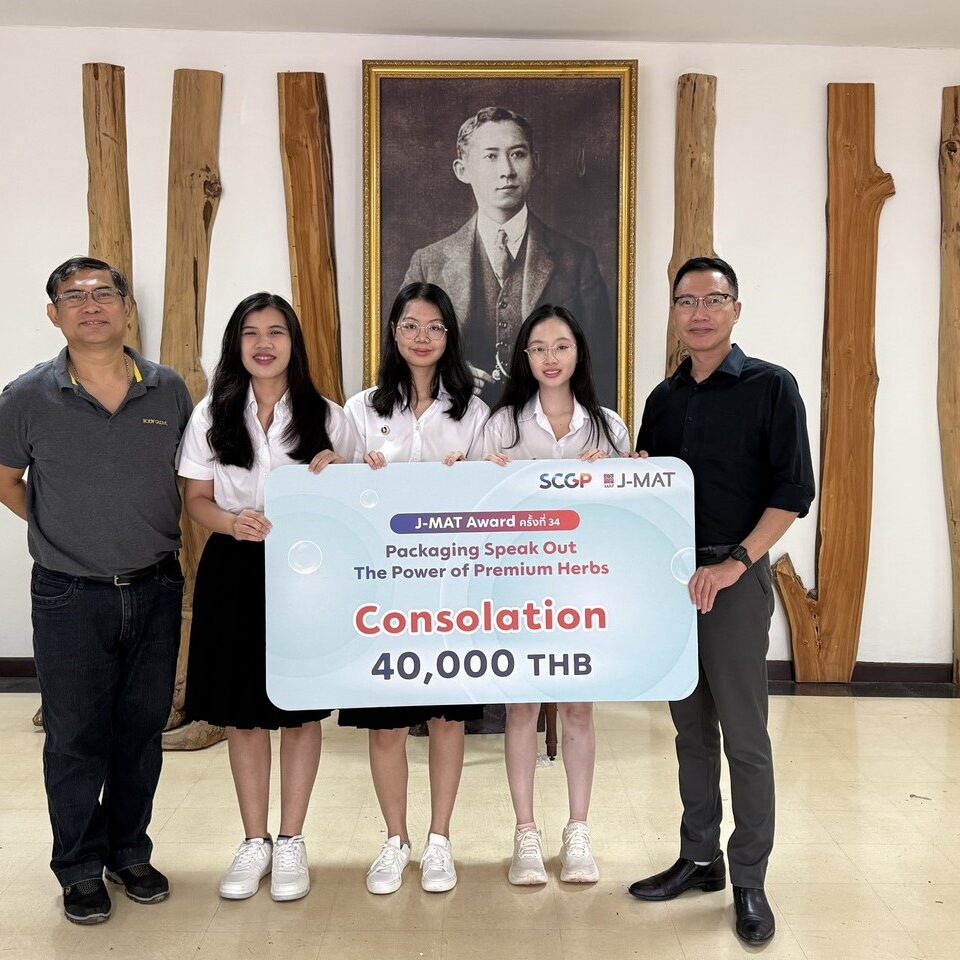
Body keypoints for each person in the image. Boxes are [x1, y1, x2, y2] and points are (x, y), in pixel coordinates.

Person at [627, 257, 815, 944]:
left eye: (713, 299)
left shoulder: (772, 387)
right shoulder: (663, 399)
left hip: (735, 578)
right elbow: (650, 491)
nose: (699, 313)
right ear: (674, 313)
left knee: (745, 735)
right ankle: (700, 857)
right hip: (674, 584)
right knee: (690, 730)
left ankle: (750, 879)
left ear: (736, 309)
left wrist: (736, 563)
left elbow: (793, 492)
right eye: (686, 301)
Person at [0, 256, 193, 924]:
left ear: (126, 309)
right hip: (69, 595)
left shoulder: (167, 389)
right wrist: (62, 528)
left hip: (156, 588)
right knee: (76, 737)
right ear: (54, 314)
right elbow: (6, 481)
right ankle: (79, 867)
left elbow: (189, 477)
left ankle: (129, 852)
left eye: (105, 293)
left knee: (140, 733)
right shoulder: (27, 396)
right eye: (74, 296)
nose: (91, 305)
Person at [177, 292, 357, 903]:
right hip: (235, 563)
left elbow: (356, 499)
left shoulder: (329, 416)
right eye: (251, 332)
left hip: (307, 571)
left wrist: (339, 475)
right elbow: (196, 499)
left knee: (300, 709)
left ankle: (292, 840)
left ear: (293, 343)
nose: (263, 344)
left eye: (276, 332)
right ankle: (254, 840)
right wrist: (232, 523)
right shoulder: (211, 413)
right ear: (236, 344)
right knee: (243, 711)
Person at [339, 281, 489, 896]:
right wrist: (354, 473)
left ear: (449, 335)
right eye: (409, 325)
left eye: (434, 327)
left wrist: (469, 477)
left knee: (448, 720)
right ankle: (395, 840)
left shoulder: (474, 411)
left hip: (452, 592)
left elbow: (490, 497)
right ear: (393, 333)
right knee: (387, 725)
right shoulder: (360, 409)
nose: (422, 337)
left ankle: (439, 840)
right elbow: (338, 491)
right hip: (383, 592)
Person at [484, 304, 629, 886]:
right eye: (539, 348)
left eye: (561, 346)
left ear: (578, 353)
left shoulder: (608, 426)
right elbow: (476, 506)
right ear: (525, 357)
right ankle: (525, 833)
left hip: (582, 590)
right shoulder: (503, 425)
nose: (550, 358)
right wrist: (484, 473)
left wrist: (616, 472)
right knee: (520, 708)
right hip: (516, 588)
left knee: (577, 709)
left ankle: (578, 831)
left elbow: (628, 512)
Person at [403, 106, 614, 407]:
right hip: (456, 425)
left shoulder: (577, 261)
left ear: (535, 163)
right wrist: (445, 376)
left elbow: (599, 366)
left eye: (518, 154)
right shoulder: (429, 263)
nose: (507, 170)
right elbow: (400, 358)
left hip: (541, 426)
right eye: (490, 156)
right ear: (462, 170)